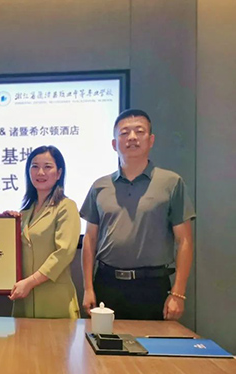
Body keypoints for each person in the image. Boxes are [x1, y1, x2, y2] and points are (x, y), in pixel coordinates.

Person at [80, 109, 195, 320]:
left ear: (151, 140)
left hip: (152, 286)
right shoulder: (99, 186)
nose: (132, 137)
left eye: (139, 131)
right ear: (114, 144)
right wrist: (88, 288)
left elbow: (184, 240)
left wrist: (178, 293)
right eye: (124, 133)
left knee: (152, 341)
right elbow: (90, 239)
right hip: (107, 283)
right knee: (103, 341)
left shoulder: (171, 183)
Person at [6, 145, 80, 319]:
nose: (40, 172)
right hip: (24, 299)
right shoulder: (25, 213)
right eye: (35, 166)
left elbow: (64, 253)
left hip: (55, 300)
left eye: (47, 167)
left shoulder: (66, 207)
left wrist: (30, 282)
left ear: (59, 173)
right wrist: (6, 225)